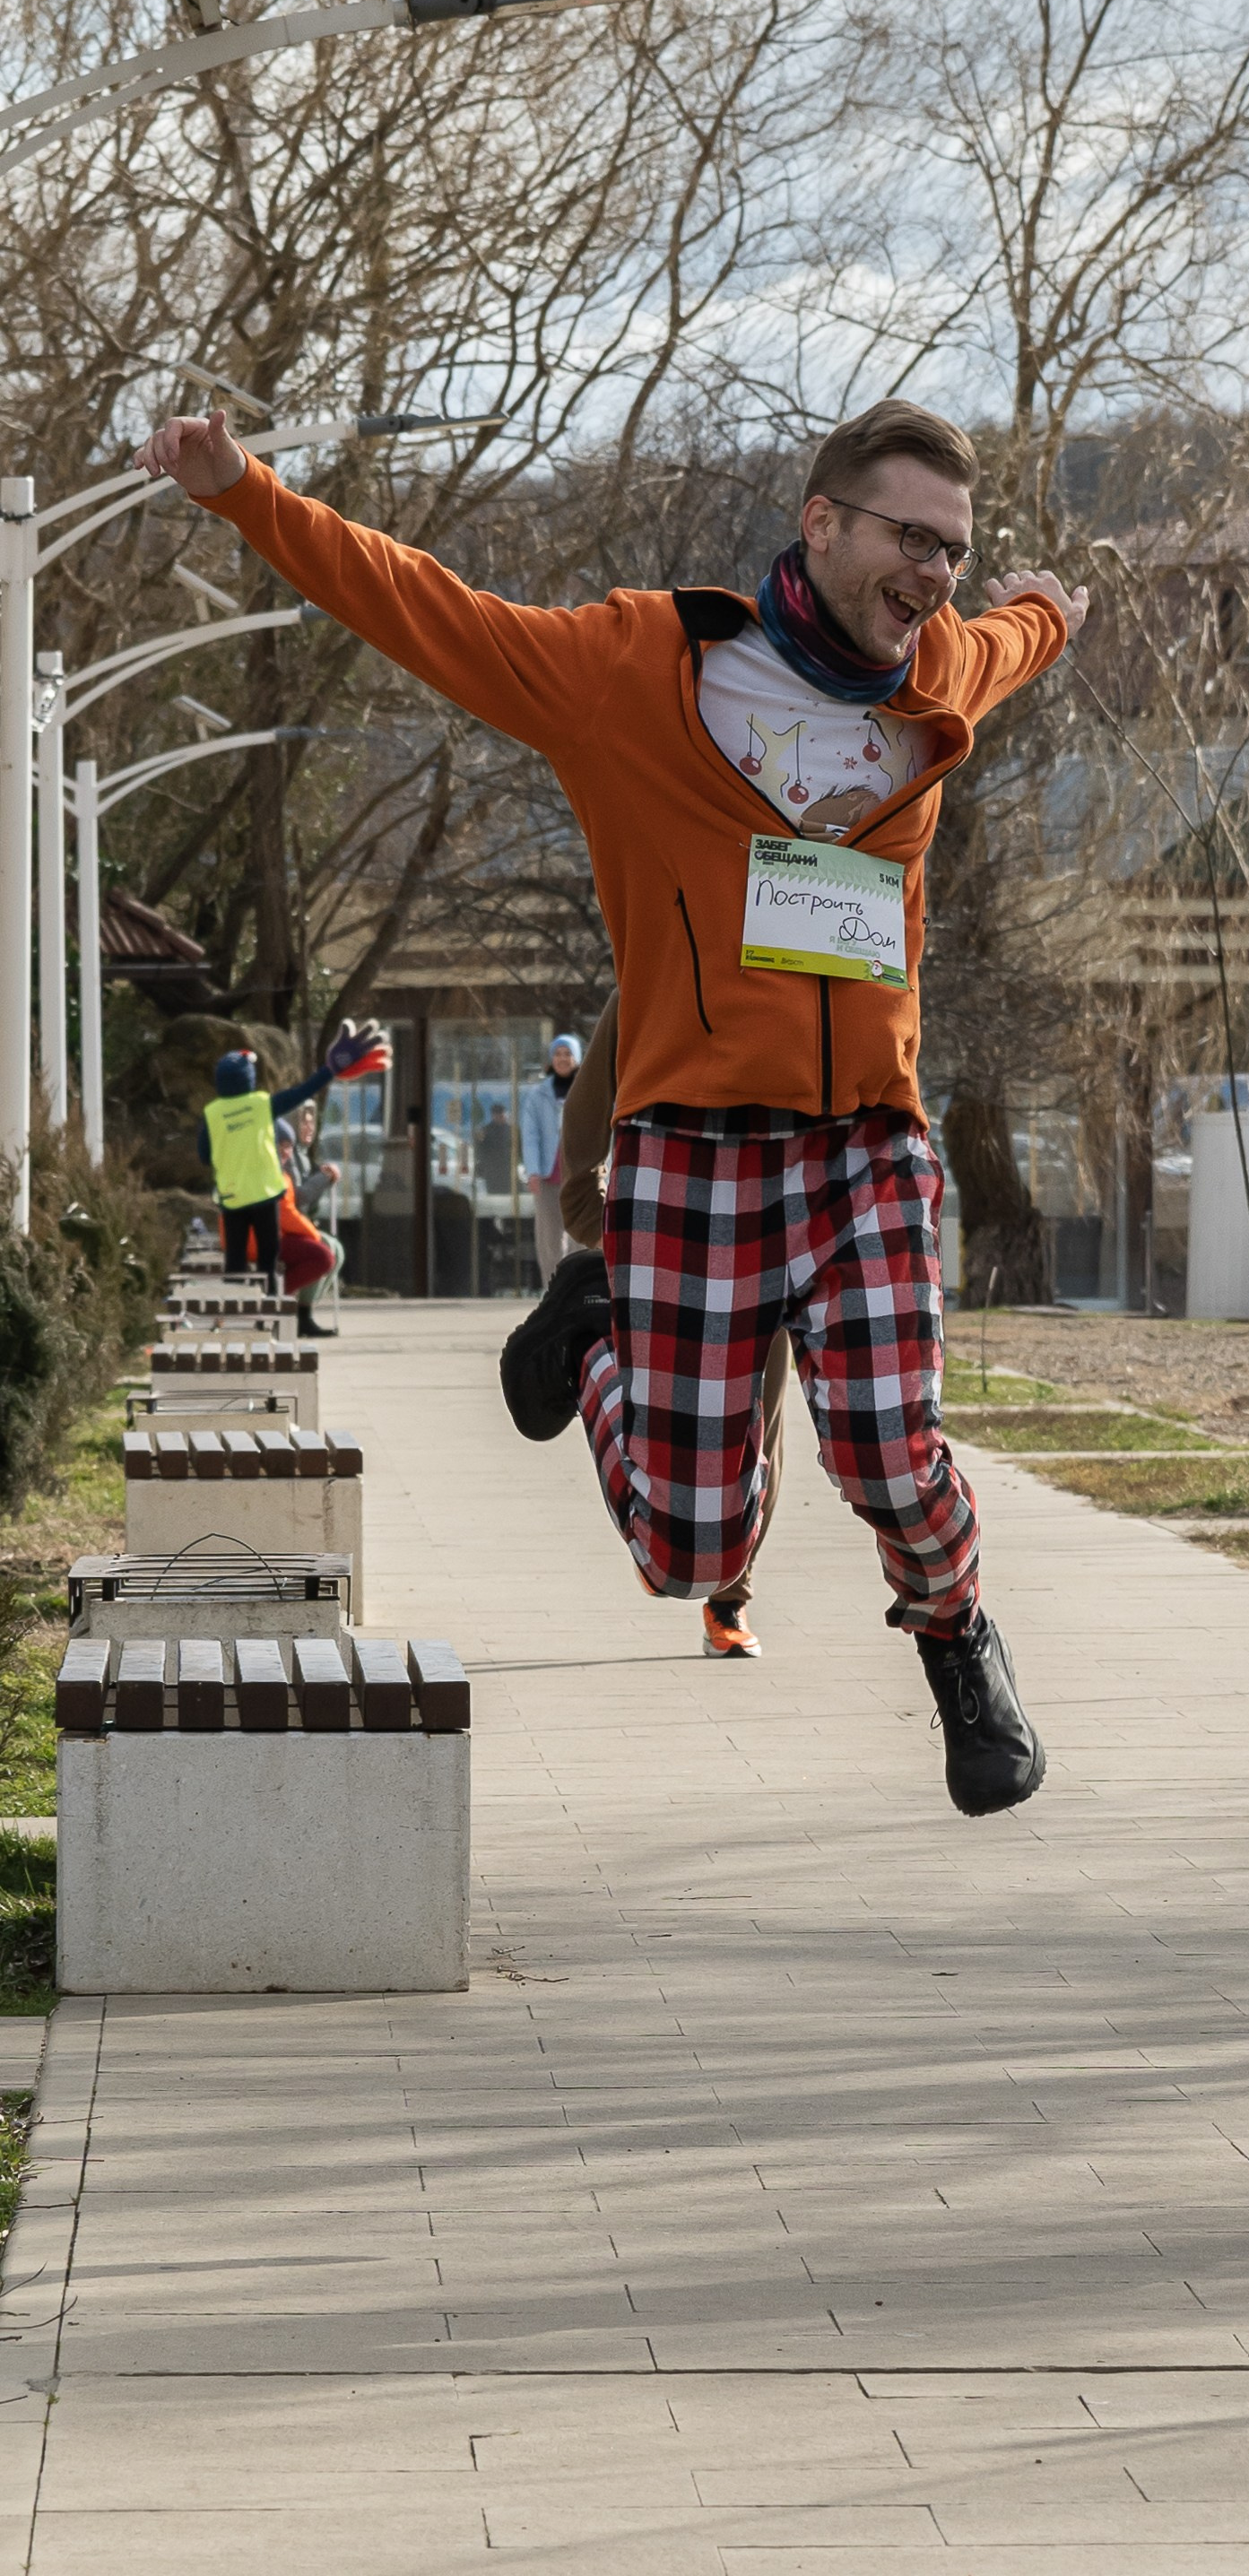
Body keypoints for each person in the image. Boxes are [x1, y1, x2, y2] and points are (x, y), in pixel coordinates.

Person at [136, 394, 1085, 1817]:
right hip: (691, 1148)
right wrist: (241, 493)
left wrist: (1045, 610)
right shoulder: (633, 667)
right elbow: (423, 607)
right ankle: (594, 1331)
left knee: (892, 1449)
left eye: (956, 550)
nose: (937, 577)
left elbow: (1014, 637)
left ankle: (955, 1638)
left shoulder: (940, 660)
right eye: (911, 539)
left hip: (865, 1142)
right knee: (691, 1552)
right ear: (820, 524)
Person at [559, 989, 785, 1658]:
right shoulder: (650, 976)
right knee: (661, 1417)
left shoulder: (798, 972)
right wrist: (603, 1221)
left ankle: (729, 1597)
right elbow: (587, 1110)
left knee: (758, 1419)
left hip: (772, 1228)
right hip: (665, 1237)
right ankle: (658, 1529)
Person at [198, 1026, 389, 1282]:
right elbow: (303, 1092)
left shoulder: (212, 1114)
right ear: (249, 1078)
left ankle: (236, 1298)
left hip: (232, 1196)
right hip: (265, 1193)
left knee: (235, 1256)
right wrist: (330, 1070)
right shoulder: (262, 1105)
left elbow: (204, 1155)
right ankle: (268, 1303)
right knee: (269, 1254)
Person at [275, 1096, 346, 1338]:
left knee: (337, 1251)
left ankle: (306, 1309)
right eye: (303, 1122)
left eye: (312, 1123)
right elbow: (299, 1196)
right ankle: (298, 1312)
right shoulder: (286, 1154)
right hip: (286, 1229)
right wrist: (324, 1179)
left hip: (296, 1226)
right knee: (325, 1248)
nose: (309, 1128)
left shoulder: (302, 1156)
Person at [519, 1036, 582, 1285]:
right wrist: (533, 1171)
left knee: (581, 1233)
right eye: (558, 1054)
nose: (563, 1059)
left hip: (580, 1175)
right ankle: (553, 1287)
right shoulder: (538, 1095)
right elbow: (530, 1134)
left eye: (568, 1054)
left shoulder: (588, 1090)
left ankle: (578, 1285)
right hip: (548, 1175)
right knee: (548, 1236)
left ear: (577, 1058)